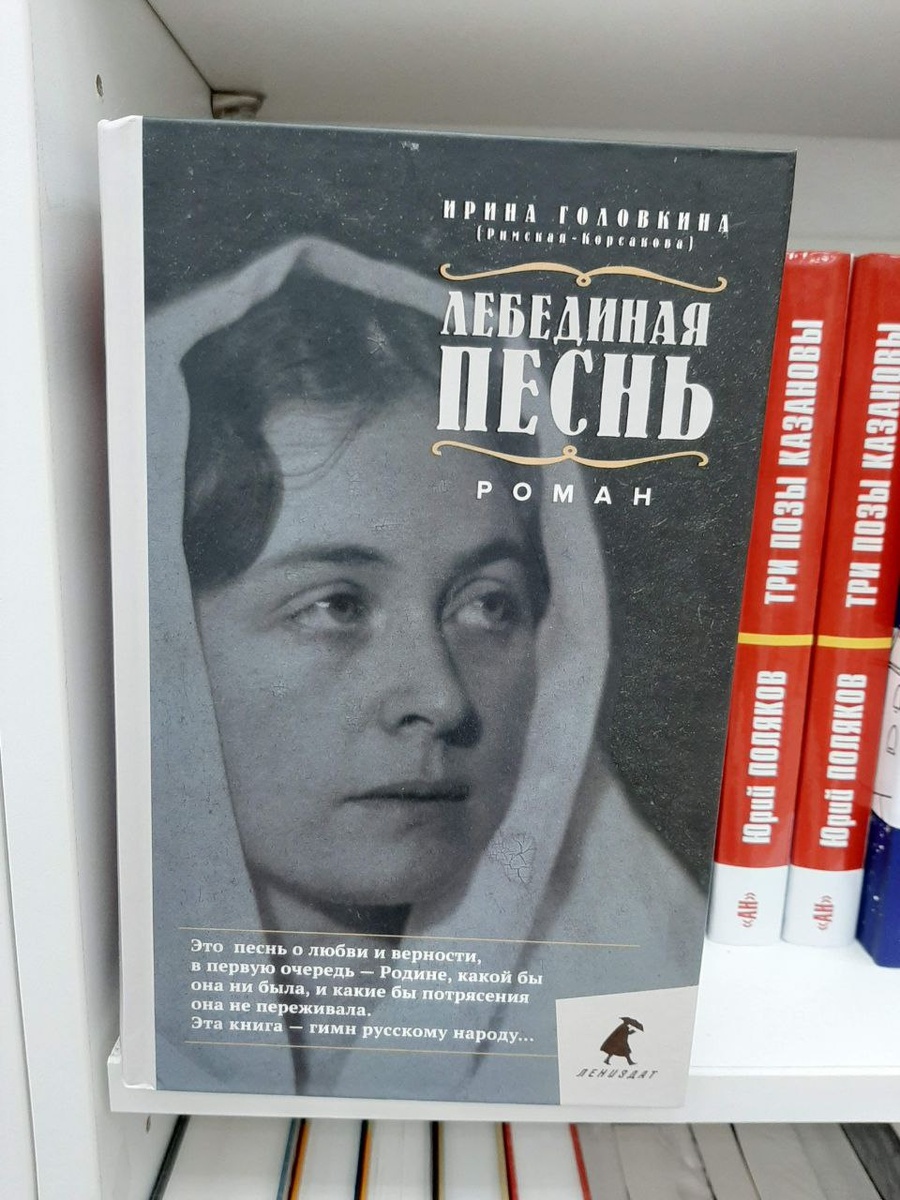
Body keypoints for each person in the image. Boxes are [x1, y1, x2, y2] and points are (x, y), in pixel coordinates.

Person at [145, 238, 704, 1101]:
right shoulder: (60, 1034)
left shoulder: (640, 1003)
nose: (441, 699)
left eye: (488, 606)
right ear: (170, 645)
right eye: (335, 606)